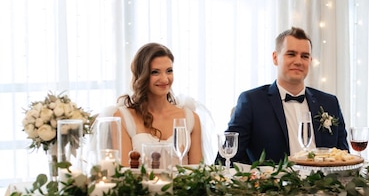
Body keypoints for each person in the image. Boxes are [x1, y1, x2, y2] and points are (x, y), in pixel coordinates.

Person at [221, 27, 349, 165]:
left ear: (310, 61)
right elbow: (226, 159)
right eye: (291, 54)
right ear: (275, 58)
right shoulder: (251, 102)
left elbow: (344, 157)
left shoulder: (329, 102)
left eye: (304, 56)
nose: (298, 61)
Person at [114, 42, 203, 166]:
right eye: (155, 72)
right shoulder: (123, 118)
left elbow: (197, 173)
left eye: (169, 71)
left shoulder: (190, 118)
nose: (165, 79)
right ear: (142, 75)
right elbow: (125, 174)